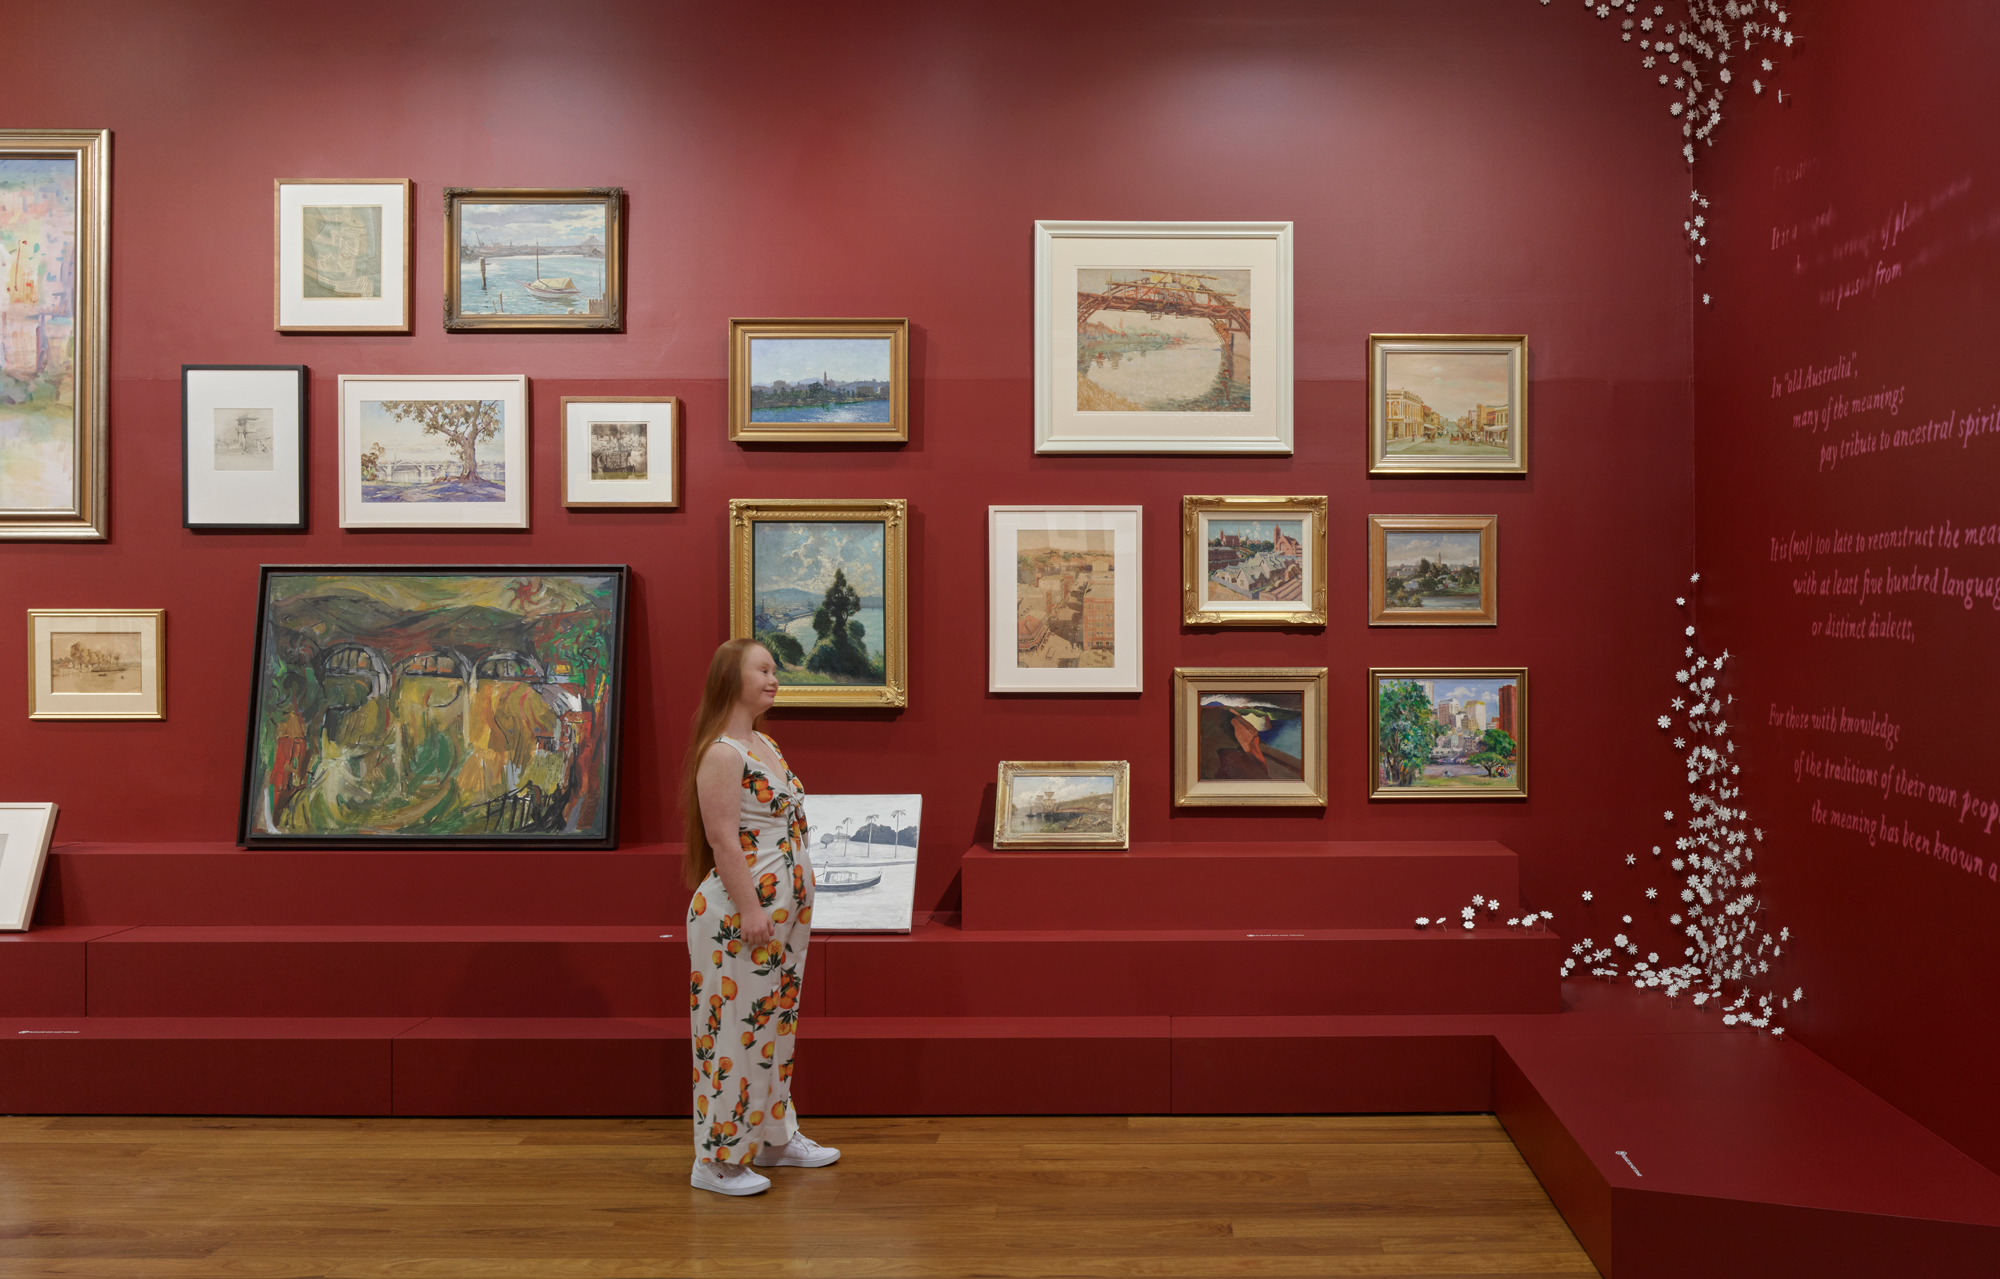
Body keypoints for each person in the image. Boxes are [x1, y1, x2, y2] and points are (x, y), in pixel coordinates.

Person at [681, 638, 839, 1196]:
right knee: (732, 1036)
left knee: (773, 1026)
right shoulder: (723, 752)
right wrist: (751, 907)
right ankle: (717, 1160)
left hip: (781, 914)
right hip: (738, 916)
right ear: (731, 678)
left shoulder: (764, 743)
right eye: (763, 669)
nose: (775, 678)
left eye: (775, 670)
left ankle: (774, 1138)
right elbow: (722, 839)